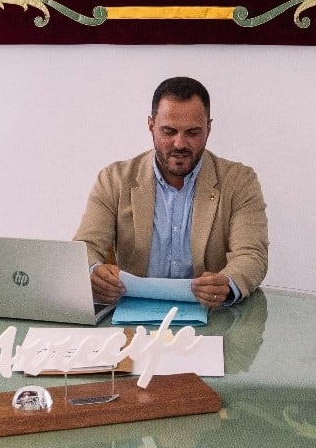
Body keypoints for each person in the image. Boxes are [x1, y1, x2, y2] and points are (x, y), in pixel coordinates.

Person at [73, 76, 268, 309]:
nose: (179, 143)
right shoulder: (114, 180)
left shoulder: (239, 181)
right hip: (131, 318)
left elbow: (251, 255)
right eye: (169, 131)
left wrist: (227, 284)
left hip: (213, 316)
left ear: (209, 128)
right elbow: (83, 249)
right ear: (151, 126)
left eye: (193, 132)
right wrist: (94, 274)